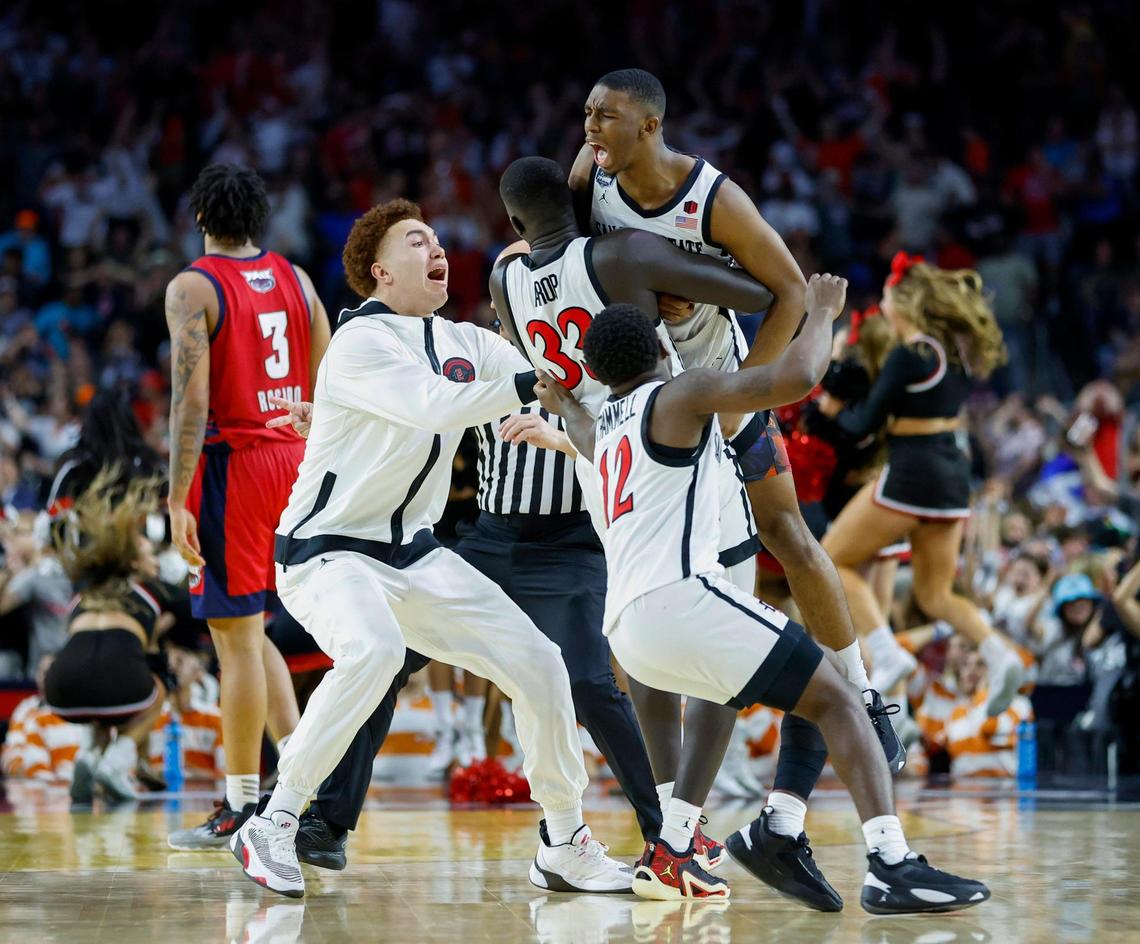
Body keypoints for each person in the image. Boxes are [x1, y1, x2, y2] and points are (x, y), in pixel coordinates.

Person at [537, 292, 990, 914]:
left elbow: (581, 430)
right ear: (659, 346)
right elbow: (794, 378)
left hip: (630, 633)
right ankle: (891, 864)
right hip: (684, 601)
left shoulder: (606, 426)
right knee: (839, 692)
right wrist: (823, 313)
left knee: (785, 688)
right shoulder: (681, 394)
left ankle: (691, 842)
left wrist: (560, 401)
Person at [231, 199, 630, 899]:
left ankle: (564, 841)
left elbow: (547, 382)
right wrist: (526, 382)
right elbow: (433, 405)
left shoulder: (467, 341)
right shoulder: (359, 342)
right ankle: (273, 821)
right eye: (417, 240)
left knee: (540, 663)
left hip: (414, 557)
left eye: (438, 238)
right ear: (380, 270)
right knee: (378, 652)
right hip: (328, 555)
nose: (435, 247)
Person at [569, 69, 902, 891]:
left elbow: (788, 290)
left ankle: (863, 693)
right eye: (585, 114)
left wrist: (746, 389)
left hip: (720, 389)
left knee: (789, 535)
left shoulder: (714, 198)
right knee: (693, 592)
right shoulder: (591, 179)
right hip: (649, 404)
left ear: (649, 125)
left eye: (604, 117)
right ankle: (677, 831)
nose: (589, 128)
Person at [164, 164, 331, 849]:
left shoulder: (192, 286)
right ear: (259, 218)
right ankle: (299, 792)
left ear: (201, 218)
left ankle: (239, 804)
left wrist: (175, 495)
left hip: (232, 464)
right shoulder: (296, 278)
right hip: (293, 459)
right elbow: (327, 374)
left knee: (232, 639)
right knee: (253, 631)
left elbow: (191, 398)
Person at [818, 253, 1026, 717]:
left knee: (831, 560)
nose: (885, 304)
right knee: (935, 594)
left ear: (903, 300)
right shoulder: (950, 353)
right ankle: (1001, 654)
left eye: (889, 296)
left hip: (914, 471)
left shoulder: (909, 354)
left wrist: (825, 408)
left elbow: (864, 424)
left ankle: (887, 654)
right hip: (953, 476)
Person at [41, 471, 171, 802]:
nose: (155, 559)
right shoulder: (154, 591)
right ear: (134, 562)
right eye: (149, 554)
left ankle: (88, 757)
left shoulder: (83, 595)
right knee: (159, 689)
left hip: (61, 687)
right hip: (118, 678)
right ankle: (117, 759)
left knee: (101, 702)